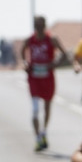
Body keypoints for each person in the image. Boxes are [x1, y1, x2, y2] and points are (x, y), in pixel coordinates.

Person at [22, 16, 69, 151]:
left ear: (45, 25)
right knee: (35, 109)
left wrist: (55, 64)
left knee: (47, 107)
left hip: (48, 78)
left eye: (41, 25)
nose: (39, 28)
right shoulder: (30, 40)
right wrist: (26, 63)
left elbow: (64, 54)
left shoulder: (52, 40)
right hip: (34, 78)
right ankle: (37, 138)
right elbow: (22, 52)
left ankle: (44, 132)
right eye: (36, 25)